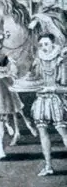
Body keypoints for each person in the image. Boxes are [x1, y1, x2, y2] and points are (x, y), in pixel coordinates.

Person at [28, 33, 67, 177]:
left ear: (53, 44)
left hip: (57, 100)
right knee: (42, 133)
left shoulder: (61, 61)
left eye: (47, 44)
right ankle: (48, 165)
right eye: (41, 45)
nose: (44, 47)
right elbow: (34, 79)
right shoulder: (38, 60)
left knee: (63, 132)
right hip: (41, 100)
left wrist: (52, 89)